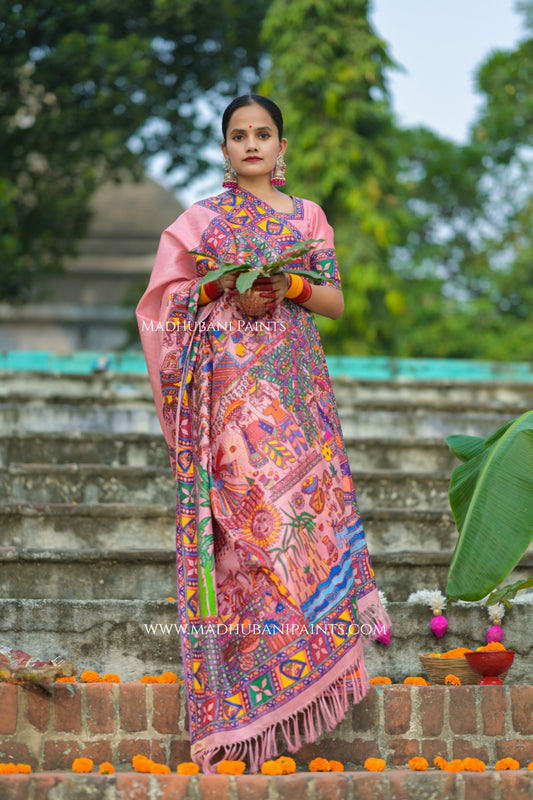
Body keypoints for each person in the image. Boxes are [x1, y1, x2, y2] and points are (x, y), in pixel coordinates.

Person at [136, 94, 390, 772]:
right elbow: (165, 302)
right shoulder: (200, 222)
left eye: (263, 134)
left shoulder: (308, 217)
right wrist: (223, 293)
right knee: (248, 525)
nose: (251, 144)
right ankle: (250, 688)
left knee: (302, 521)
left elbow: (333, 300)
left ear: (281, 148)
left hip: (296, 394)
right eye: (238, 136)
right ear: (224, 150)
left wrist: (289, 288)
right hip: (227, 396)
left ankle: (311, 663)